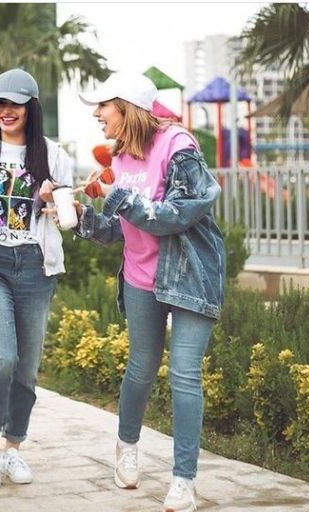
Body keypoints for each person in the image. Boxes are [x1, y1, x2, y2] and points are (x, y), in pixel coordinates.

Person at [74, 72, 226, 512]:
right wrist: (78, 216)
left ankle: (184, 480)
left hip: (190, 275)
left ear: (127, 106)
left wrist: (116, 194)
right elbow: (116, 230)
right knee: (141, 369)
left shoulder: (178, 147)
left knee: (183, 374)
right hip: (141, 277)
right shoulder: (119, 159)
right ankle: (126, 446)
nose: (97, 114)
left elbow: (179, 213)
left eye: (103, 105)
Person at [0, 68, 73, 491]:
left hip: (35, 265)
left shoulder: (53, 155)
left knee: (27, 368)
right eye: (0, 104)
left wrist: (51, 203)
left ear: (31, 108)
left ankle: (13, 449)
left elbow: (67, 218)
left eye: (15, 104)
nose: (6, 112)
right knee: (2, 357)